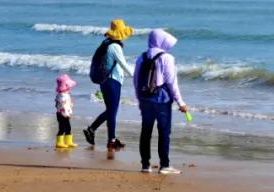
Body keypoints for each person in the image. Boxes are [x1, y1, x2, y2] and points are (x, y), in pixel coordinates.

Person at [134, 29, 189, 175]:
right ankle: (164, 165)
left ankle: (145, 165)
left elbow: (136, 81)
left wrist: (139, 99)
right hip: (162, 100)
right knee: (164, 132)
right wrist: (180, 102)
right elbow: (172, 83)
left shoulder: (142, 57)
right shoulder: (167, 58)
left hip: (145, 98)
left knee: (146, 131)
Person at [83, 19, 134, 151]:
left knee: (111, 111)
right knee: (112, 111)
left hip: (105, 81)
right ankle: (110, 140)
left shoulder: (106, 43)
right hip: (112, 82)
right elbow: (123, 64)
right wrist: (137, 76)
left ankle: (93, 130)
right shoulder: (115, 47)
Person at [54, 74, 77, 149]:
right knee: (62, 128)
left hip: (65, 114)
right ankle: (59, 142)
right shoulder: (62, 96)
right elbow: (63, 106)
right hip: (62, 114)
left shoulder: (65, 94)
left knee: (68, 127)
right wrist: (67, 114)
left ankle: (68, 141)